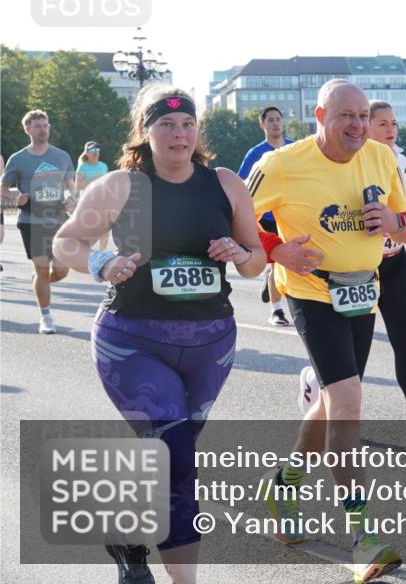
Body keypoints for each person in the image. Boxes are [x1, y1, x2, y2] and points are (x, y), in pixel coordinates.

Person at [52, 85, 265, 584]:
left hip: (212, 342)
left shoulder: (227, 184)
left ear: (198, 131)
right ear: (145, 134)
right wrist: (101, 261)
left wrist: (239, 254)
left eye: (187, 124)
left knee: (167, 456)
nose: (179, 133)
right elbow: (66, 242)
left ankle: (127, 530)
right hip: (132, 340)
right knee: (179, 458)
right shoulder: (120, 186)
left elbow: (257, 260)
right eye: (166, 124)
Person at [247, 80, 406, 582]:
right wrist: (276, 250)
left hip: (362, 291)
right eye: (346, 116)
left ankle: (283, 486)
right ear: (320, 115)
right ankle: (363, 537)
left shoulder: (382, 159)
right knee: (349, 401)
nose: (358, 125)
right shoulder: (279, 164)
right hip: (309, 292)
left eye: (364, 115)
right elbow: (232, 216)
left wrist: (392, 222)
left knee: (335, 400)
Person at [296, 100, 406, 446]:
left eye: (394, 123)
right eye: (382, 123)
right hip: (357, 270)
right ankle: (318, 382)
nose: (391, 130)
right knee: (354, 359)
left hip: (393, 260)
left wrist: (396, 223)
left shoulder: (396, 160)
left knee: (404, 339)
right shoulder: (347, 162)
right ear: (363, 129)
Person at [1, 110, 75, 334]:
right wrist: (16, 197)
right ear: (27, 130)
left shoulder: (61, 156)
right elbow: (2, 190)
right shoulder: (18, 158)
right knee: (43, 269)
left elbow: (71, 185)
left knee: (61, 271)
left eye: (46, 125)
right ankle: (46, 317)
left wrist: (72, 197)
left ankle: (39, 281)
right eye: (38, 126)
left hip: (58, 218)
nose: (43, 129)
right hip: (31, 220)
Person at [237, 106, 295, 326]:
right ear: (262, 124)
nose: (275, 123)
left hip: (292, 215)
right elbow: (242, 185)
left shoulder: (294, 148)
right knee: (278, 264)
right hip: (267, 219)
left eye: (278, 119)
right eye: (270, 120)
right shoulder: (255, 154)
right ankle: (277, 310)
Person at [76, 141, 110, 250]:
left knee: (105, 231)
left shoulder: (103, 166)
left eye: (97, 150)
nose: (95, 153)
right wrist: (95, 180)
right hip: (88, 202)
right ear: (86, 153)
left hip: (103, 202)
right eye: (92, 150)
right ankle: (84, 253)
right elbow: (78, 186)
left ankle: (102, 254)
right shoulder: (83, 167)